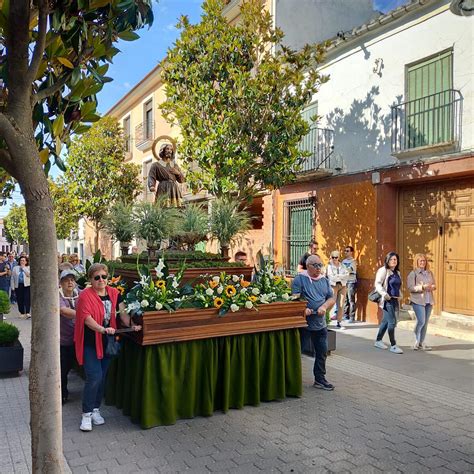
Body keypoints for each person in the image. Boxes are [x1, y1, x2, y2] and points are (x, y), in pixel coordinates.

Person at [74, 263, 141, 432]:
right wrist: (102, 329)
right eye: (97, 277)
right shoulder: (84, 296)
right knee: (94, 376)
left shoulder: (114, 293)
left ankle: (96, 409)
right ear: (90, 279)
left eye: (104, 276)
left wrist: (132, 325)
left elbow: (122, 314)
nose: (101, 280)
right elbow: (86, 319)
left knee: (102, 377)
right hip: (91, 342)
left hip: (108, 342)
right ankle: (86, 414)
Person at [292, 254, 336, 391]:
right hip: (304, 324)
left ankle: (320, 379)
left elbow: (331, 298)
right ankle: (293, 380)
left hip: (320, 324)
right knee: (297, 352)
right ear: (308, 266)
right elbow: (293, 299)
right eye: (315, 266)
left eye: (320, 265)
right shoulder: (299, 279)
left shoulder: (324, 280)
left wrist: (324, 307)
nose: (318, 269)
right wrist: (303, 309)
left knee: (322, 352)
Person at [374, 252, 403, 354]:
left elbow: (397, 286)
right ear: (387, 260)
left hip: (395, 299)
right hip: (387, 299)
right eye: (391, 259)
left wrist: (400, 294)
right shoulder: (383, 270)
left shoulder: (397, 272)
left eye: (395, 259)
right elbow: (377, 284)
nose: (393, 261)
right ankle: (393, 345)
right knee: (392, 322)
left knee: (386, 321)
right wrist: (384, 294)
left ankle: (378, 340)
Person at [59, 270, 81, 404]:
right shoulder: (57, 296)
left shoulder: (80, 294)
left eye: (72, 279)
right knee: (63, 369)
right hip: (63, 340)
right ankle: (62, 394)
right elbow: (63, 311)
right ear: (61, 283)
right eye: (66, 280)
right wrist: (84, 316)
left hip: (78, 339)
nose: (70, 282)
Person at [407, 253, 436, 351]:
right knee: (421, 321)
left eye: (424, 261)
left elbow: (434, 284)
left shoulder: (429, 273)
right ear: (417, 262)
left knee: (425, 322)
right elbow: (410, 288)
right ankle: (416, 340)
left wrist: (432, 287)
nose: (423, 262)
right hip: (418, 300)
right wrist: (422, 287)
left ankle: (421, 342)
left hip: (429, 300)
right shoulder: (413, 274)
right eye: (421, 261)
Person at [326, 250, 349, 330]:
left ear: (339, 257)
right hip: (333, 286)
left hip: (342, 286)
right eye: (333, 257)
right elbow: (331, 277)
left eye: (336, 257)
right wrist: (341, 276)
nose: (335, 259)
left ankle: (339, 322)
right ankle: (325, 320)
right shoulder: (329, 266)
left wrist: (338, 276)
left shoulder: (342, 265)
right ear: (331, 257)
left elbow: (347, 275)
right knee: (331, 303)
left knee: (341, 304)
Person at [342, 245, 357, 323]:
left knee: (351, 299)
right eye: (345, 251)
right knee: (345, 299)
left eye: (347, 251)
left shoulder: (353, 261)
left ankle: (352, 317)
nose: (346, 252)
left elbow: (350, 270)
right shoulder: (343, 261)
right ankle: (345, 315)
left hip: (351, 282)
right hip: (345, 282)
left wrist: (343, 269)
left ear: (351, 252)